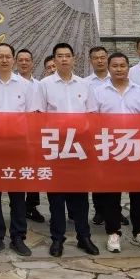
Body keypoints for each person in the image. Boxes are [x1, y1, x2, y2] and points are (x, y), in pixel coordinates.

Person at [36, 43, 100, 257]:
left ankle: (84, 236)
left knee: (80, 196)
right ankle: (57, 238)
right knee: (56, 197)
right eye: (59, 56)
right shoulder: (44, 85)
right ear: (54, 60)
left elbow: (92, 114)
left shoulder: (84, 85)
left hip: (79, 147)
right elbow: (38, 116)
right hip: (55, 146)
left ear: (74, 59)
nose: (63, 59)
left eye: (67, 56)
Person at [92, 52, 140, 253]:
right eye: (115, 66)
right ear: (109, 68)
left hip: (135, 148)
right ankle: (113, 232)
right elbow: (93, 121)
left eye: (122, 65)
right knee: (111, 194)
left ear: (128, 68)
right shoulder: (98, 92)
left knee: (138, 194)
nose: (119, 69)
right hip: (110, 149)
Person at [0, 42, 37, 256]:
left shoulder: (25, 86)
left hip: (17, 145)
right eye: (0, 56)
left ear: (13, 59)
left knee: (17, 194)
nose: (4, 60)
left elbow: (32, 116)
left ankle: (18, 236)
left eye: (8, 56)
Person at [14, 48, 46, 224]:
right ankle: (17, 206)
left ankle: (31, 206)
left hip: (35, 135)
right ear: (16, 62)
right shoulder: (12, 83)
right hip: (16, 136)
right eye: (21, 60)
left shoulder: (39, 85)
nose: (24, 63)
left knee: (33, 171)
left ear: (32, 62)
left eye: (27, 60)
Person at [84, 45, 113, 226]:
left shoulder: (117, 78)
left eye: (103, 57)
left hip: (116, 135)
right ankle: (99, 210)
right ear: (91, 61)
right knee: (97, 173)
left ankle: (115, 210)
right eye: (96, 58)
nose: (100, 61)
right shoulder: (85, 83)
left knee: (113, 174)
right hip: (94, 134)